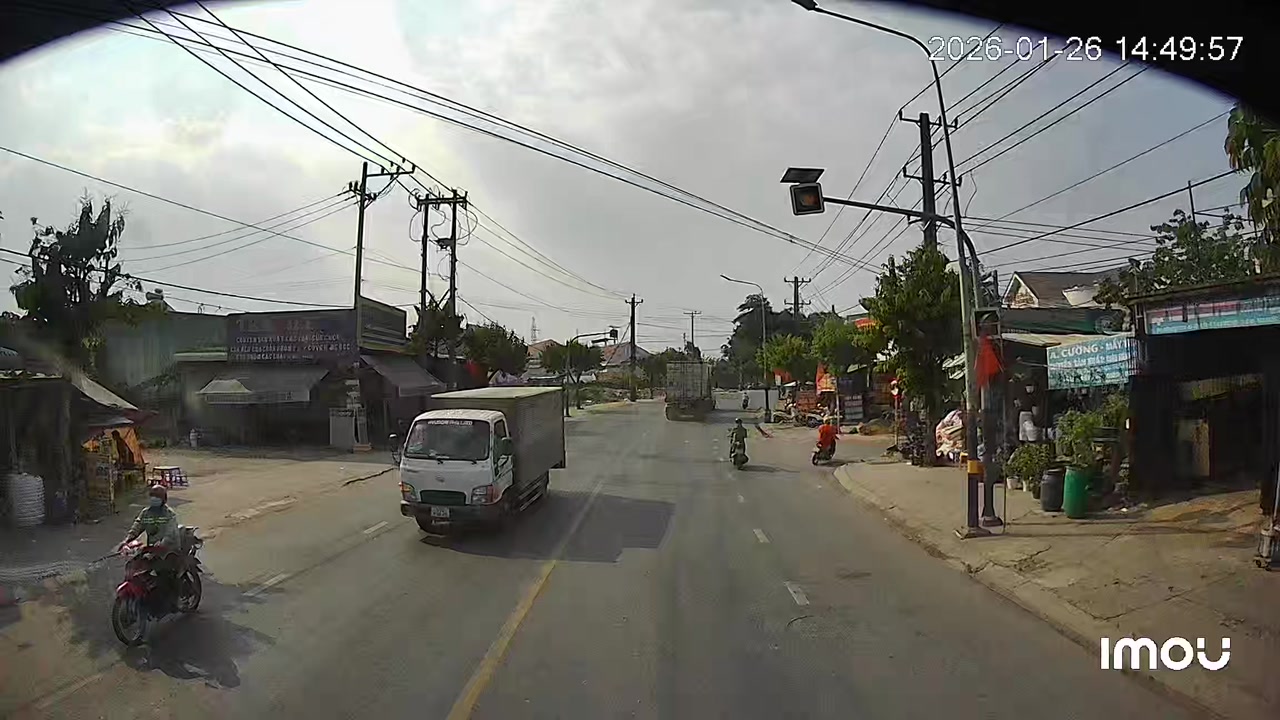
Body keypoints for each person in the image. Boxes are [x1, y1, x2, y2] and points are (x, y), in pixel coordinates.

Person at [118, 485, 183, 601]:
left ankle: (173, 599)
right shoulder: (146, 513)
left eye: (157, 497)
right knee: (138, 566)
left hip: (169, 550)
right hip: (153, 549)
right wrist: (127, 540)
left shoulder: (169, 514)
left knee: (164, 574)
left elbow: (170, 533)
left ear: (163, 499)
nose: (154, 499)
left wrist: (162, 543)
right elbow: (137, 526)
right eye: (152, 496)